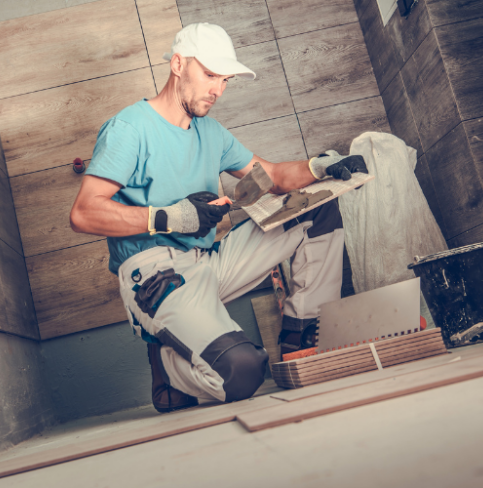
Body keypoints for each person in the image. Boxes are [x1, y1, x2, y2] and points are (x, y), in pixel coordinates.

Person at [70, 23, 367, 412]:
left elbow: (273, 177)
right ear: (178, 64)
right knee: (242, 372)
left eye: (224, 80)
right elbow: (84, 213)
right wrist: (172, 217)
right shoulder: (130, 129)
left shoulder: (211, 132)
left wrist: (321, 167)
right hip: (157, 274)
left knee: (316, 209)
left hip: (211, 261)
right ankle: (166, 365)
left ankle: (302, 339)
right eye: (210, 75)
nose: (218, 90)